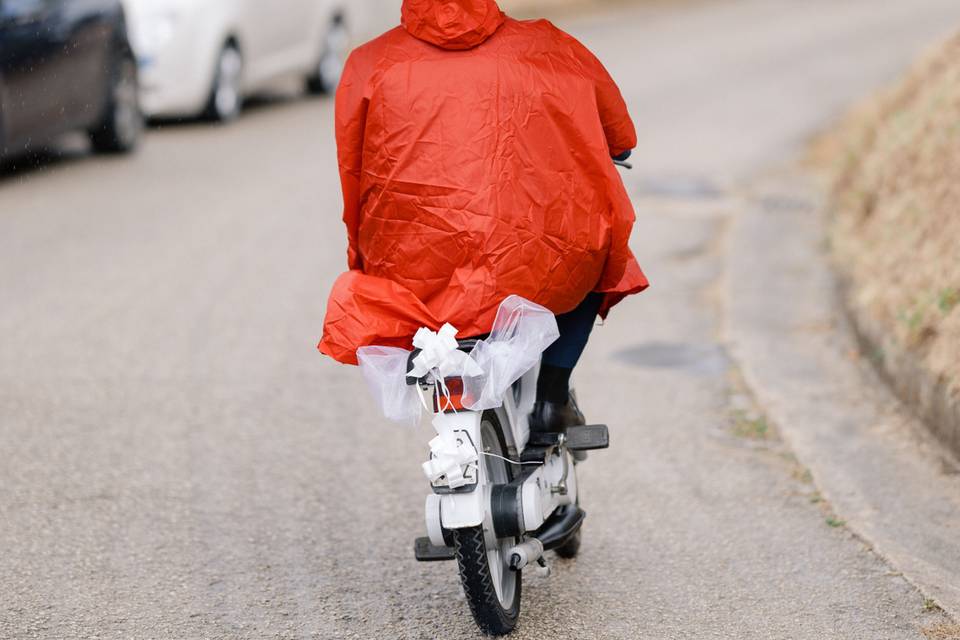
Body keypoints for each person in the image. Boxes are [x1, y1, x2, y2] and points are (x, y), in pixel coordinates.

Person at [318, 0, 648, 432]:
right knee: (592, 259)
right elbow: (620, 137)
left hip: (417, 270)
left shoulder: (369, 62)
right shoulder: (552, 46)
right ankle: (551, 397)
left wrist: (361, 257)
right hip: (531, 262)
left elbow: (353, 173)